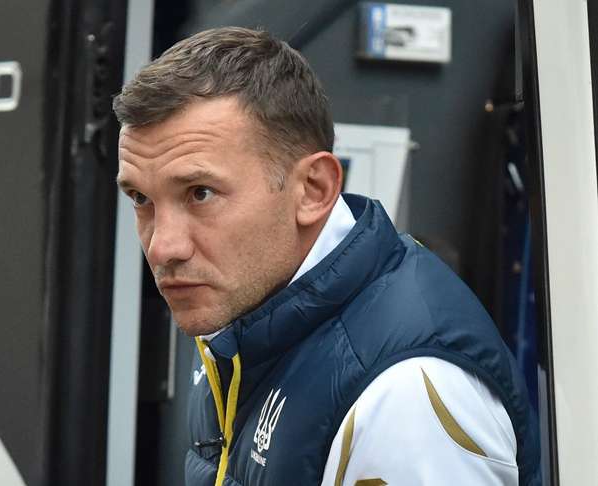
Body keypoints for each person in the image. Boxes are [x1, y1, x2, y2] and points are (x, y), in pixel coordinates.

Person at [113, 27, 540, 486]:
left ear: (313, 190)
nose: (162, 247)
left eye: (200, 193)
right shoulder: (246, 321)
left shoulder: (403, 397)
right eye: (141, 198)